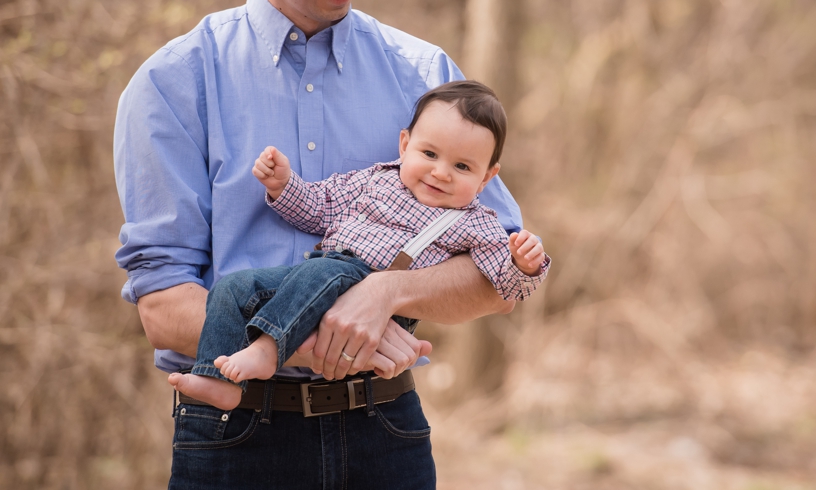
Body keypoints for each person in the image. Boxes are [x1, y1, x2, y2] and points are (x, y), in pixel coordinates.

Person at [114, 0, 532, 490]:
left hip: (388, 436)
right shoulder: (174, 86)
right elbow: (163, 306)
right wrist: (312, 337)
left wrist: (387, 297)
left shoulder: (420, 74)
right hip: (236, 439)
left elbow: (497, 274)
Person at [178, 81, 551, 411]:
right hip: (321, 271)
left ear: (487, 177)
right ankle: (217, 379)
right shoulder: (375, 180)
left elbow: (503, 286)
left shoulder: (475, 220)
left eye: (463, 167)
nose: (441, 172)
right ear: (405, 145)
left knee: (323, 270)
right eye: (430, 155)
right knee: (233, 287)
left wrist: (524, 264)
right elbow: (319, 207)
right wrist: (283, 184)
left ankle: (267, 351)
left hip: (378, 296)